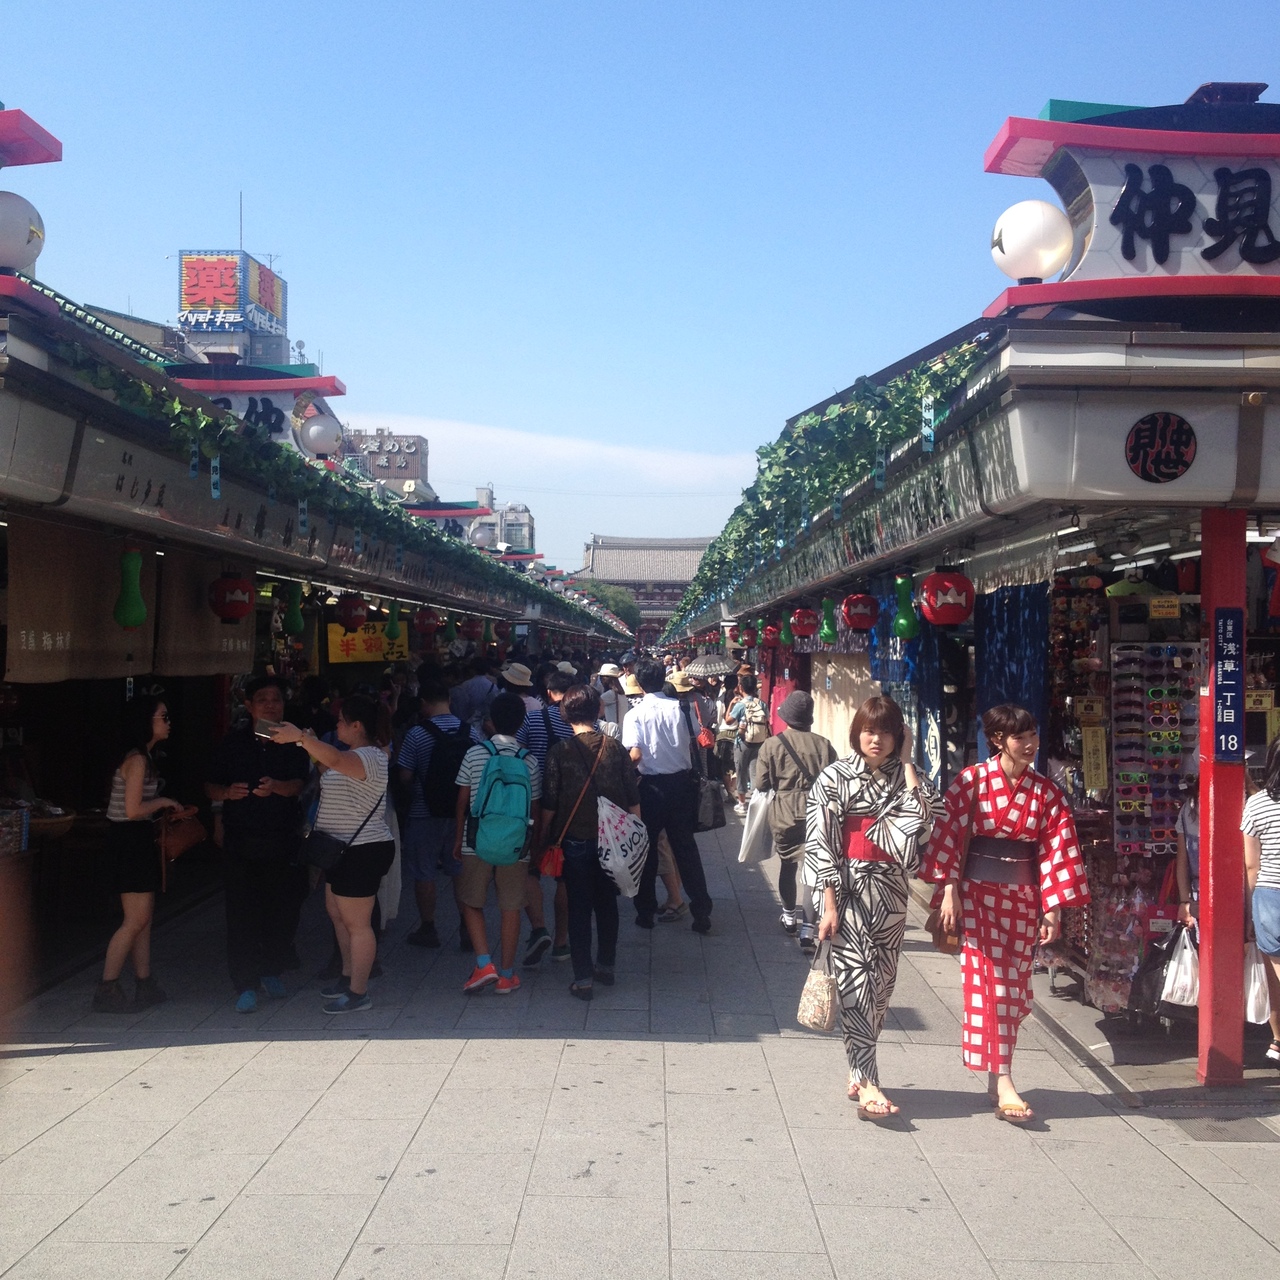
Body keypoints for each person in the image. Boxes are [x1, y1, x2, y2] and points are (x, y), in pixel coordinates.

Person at [925, 704, 1090, 1123]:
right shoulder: (971, 781)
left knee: (1014, 991)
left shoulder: (1047, 792)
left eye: (1033, 735)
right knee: (992, 987)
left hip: (1023, 899)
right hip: (976, 896)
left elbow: (1056, 851)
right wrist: (949, 891)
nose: (1030, 744)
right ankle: (1004, 1081)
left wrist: (1052, 908)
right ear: (998, 740)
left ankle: (996, 1075)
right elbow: (948, 835)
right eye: (1020, 737)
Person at [808, 695, 938, 1118]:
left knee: (881, 986)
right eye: (868, 730)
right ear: (856, 733)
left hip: (891, 891)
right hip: (846, 889)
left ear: (899, 736)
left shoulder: (908, 777)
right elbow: (822, 842)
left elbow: (927, 821)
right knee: (857, 984)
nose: (875, 739)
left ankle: (857, 1064)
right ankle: (868, 1081)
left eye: (885, 732)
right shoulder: (834, 777)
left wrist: (909, 764)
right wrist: (828, 904)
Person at [271, 695, 395, 1014]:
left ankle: (358, 992)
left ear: (357, 726)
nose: (336, 725)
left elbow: (336, 762)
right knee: (337, 914)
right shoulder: (352, 756)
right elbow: (330, 767)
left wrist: (302, 738)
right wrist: (309, 743)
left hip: (361, 849)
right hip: (339, 848)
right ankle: (347, 975)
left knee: (357, 923)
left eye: (341, 721)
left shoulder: (370, 756)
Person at [205, 676, 311, 1013]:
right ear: (249, 705)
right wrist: (226, 794)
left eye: (276, 699)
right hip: (241, 840)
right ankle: (245, 983)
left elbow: (300, 784)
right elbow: (210, 785)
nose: (270, 705)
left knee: (283, 910)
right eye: (262, 699)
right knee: (241, 914)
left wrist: (277, 787)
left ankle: (271, 969)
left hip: (283, 838)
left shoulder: (294, 742)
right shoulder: (232, 743)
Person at [540, 684, 640, 999]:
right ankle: (606, 966)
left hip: (574, 841)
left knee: (579, 908)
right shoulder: (616, 748)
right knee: (607, 904)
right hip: (612, 843)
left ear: (564, 712)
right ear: (598, 710)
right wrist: (636, 834)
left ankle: (582, 978)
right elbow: (633, 798)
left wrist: (543, 837)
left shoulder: (559, 752)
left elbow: (550, 804)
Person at [93, 695, 184, 1013]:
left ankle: (144, 983)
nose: (168, 723)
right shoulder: (138, 760)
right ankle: (107, 986)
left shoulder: (142, 756)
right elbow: (133, 810)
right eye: (163, 717)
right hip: (129, 839)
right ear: (146, 721)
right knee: (135, 919)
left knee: (143, 918)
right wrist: (164, 802)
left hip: (133, 840)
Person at [454, 692, 542, 994]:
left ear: (490, 720)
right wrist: (534, 846)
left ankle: (483, 963)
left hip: (476, 838)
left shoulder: (474, 754)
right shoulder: (529, 760)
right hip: (516, 844)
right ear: (521, 722)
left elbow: (462, 801)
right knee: (511, 906)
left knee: (470, 901)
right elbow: (534, 809)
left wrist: (457, 838)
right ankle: (506, 975)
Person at [623, 658, 713, 933]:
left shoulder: (635, 714)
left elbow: (634, 754)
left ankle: (645, 911)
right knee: (685, 849)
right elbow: (696, 738)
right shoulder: (682, 709)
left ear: (639, 684)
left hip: (650, 788)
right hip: (681, 786)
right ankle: (701, 911)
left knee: (646, 850)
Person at [393, 678, 483, 949]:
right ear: (449, 701)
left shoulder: (416, 734)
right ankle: (467, 927)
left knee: (424, 871)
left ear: (423, 703)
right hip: (461, 813)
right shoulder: (471, 732)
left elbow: (405, 775)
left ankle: (428, 928)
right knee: (459, 869)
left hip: (424, 812)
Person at [754, 691, 837, 940]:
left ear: (786, 716)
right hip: (818, 811)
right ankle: (808, 928)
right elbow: (835, 780)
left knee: (788, 865)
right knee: (814, 868)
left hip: (785, 812)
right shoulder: (824, 745)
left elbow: (761, 784)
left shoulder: (772, 745)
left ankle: (789, 916)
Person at [517, 671, 575, 965]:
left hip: (534, 804)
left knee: (529, 869)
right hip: (568, 806)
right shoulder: (579, 723)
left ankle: (539, 928)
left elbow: (518, 752)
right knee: (565, 876)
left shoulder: (533, 719)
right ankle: (562, 942)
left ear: (549, 692)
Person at [1241, 740, 1280, 1064]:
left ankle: (1278, 1040)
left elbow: (1251, 866)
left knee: (1274, 973)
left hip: (1269, 896)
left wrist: (1249, 913)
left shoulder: (1256, 805)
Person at [726, 674, 768, 816]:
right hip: (759, 742)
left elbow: (728, 721)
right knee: (755, 772)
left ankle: (742, 804)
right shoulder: (761, 704)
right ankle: (757, 803)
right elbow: (767, 720)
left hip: (743, 742)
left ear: (741, 687)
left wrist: (731, 705)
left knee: (741, 771)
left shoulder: (740, 705)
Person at [1175, 774, 1200, 926]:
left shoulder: (1186, 810)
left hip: (1198, 894)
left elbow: (1182, 861)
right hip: (1233, 892)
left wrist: (1185, 902)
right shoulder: (1239, 805)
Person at [450, 656, 500, 731]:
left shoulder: (466, 685)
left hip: (469, 723)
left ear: (472, 669)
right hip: (487, 724)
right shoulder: (493, 686)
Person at [598, 663, 630, 736]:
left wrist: (592, 684)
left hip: (611, 732)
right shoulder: (620, 692)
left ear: (605, 679)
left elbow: (591, 702)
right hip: (622, 730)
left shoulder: (609, 694)